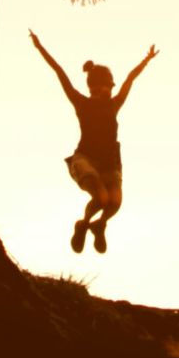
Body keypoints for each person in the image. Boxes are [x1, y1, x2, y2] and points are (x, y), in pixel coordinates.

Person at [29, 30, 157, 254]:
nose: (103, 91)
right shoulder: (81, 103)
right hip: (86, 158)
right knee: (101, 197)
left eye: (106, 87)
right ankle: (83, 224)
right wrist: (40, 48)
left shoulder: (114, 104)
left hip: (110, 163)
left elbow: (130, 79)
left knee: (115, 202)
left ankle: (99, 225)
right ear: (92, 88)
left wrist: (146, 60)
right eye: (98, 88)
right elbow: (60, 73)